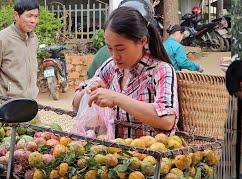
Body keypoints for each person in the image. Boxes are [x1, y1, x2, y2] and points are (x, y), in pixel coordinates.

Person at [73, 6, 179, 138]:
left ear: (142, 41)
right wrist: (89, 91)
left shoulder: (160, 71)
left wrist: (116, 98)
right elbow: (76, 103)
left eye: (121, 49)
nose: (115, 55)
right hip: (112, 155)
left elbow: (167, 120)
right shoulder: (111, 67)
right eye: (110, 48)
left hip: (147, 156)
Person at [0, 0, 39, 99]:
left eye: (36, 16)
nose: (33, 20)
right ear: (16, 15)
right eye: (29, 16)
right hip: (8, 105)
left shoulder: (33, 39)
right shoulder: (3, 38)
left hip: (30, 103)